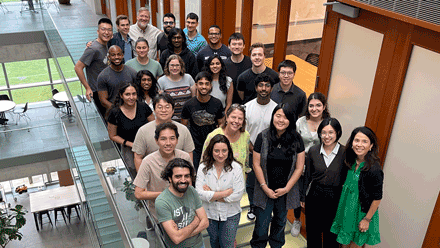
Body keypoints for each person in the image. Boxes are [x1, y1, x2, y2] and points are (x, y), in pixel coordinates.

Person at [250, 103, 305, 248]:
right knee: (261, 224)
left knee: (280, 223)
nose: (281, 120)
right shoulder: (262, 136)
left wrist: (287, 188)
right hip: (264, 189)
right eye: (278, 115)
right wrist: (264, 187)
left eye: (285, 117)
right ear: (273, 116)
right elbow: (256, 164)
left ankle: (276, 245)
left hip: (285, 191)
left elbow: (299, 167)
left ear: (291, 120)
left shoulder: (297, 139)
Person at [331, 126, 383, 247]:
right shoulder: (350, 161)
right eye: (356, 140)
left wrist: (367, 219)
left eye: (364, 141)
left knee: (355, 245)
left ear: (371, 146)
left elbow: (377, 198)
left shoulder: (374, 168)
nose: (359, 144)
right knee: (343, 244)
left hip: (361, 214)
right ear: (352, 143)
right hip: (346, 211)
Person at [301, 118, 347, 247]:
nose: (327, 136)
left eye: (331, 132)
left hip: (335, 198)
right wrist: (302, 196)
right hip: (314, 196)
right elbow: (307, 176)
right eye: (323, 132)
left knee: (331, 235)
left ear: (337, 132)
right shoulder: (313, 151)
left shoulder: (345, 153)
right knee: (313, 234)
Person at [196, 134, 245, 248]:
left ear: (229, 150)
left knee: (227, 245)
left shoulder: (236, 168)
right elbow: (199, 193)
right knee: (214, 242)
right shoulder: (203, 167)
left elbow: (237, 195)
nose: (220, 154)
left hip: (230, 214)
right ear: (211, 150)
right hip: (210, 213)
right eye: (216, 151)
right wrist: (224, 193)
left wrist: (211, 194)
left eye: (224, 150)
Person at [134, 123, 192, 219]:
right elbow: (138, 193)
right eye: (163, 139)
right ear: (157, 141)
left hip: (185, 211)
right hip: (161, 214)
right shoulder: (148, 162)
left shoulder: (184, 157)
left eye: (172, 138)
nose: (168, 143)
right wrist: (167, 195)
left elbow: (189, 184)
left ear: (177, 140)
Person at [292, 92, 330, 236]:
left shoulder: (329, 123)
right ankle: (297, 219)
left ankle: (313, 223)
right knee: (298, 195)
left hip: (320, 167)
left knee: (314, 197)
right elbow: (294, 143)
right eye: (311, 105)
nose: (314, 109)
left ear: (324, 106)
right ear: (307, 107)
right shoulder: (300, 122)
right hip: (301, 164)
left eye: (318, 105)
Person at [244, 74, 277, 221]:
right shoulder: (247, 107)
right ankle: (252, 205)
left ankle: (265, 207)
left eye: (267, 85)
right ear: (256, 87)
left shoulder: (277, 109)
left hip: (271, 155)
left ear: (271, 88)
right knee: (251, 183)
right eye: (261, 85)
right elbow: (243, 131)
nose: (264, 88)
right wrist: (251, 147)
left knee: (267, 182)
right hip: (250, 153)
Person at [132, 94, 195, 171]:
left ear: (173, 110)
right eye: (160, 107)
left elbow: (189, 154)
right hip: (153, 175)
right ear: (154, 110)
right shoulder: (143, 130)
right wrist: (143, 180)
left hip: (178, 176)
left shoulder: (183, 130)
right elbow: (138, 157)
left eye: (167, 107)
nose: (164, 110)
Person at [156, 158, 209, 248]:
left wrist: (182, 234)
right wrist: (195, 222)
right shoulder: (162, 202)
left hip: (199, 245)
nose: (183, 180)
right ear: (170, 178)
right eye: (178, 176)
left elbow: (205, 222)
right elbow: (176, 239)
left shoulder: (191, 190)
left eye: (187, 176)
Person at [107, 82, 154, 178]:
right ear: (121, 95)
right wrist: (130, 144)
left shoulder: (143, 107)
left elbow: (154, 126)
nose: (131, 97)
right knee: (136, 175)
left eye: (134, 94)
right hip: (129, 148)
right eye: (127, 94)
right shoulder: (115, 113)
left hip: (147, 146)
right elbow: (112, 135)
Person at [181, 71, 224, 169]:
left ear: (210, 85)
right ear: (196, 85)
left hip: (213, 146)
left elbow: (221, 124)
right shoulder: (188, 105)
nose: (204, 87)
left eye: (206, 84)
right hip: (194, 147)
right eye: (201, 83)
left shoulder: (217, 103)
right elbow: (184, 127)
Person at [74, 18, 112, 118]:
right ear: (98, 31)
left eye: (109, 30)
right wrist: (87, 88)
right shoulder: (93, 48)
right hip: (98, 92)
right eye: (103, 29)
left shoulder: (106, 45)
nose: (106, 32)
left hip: (108, 89)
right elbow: (78, 67)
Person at [202, 104, 250, 176]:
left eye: (240, 118)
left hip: (239, 183)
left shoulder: (246, 136)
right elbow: (204, 163)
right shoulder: (213, 136)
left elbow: (245, 164)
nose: (236, 121)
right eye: (233, 117)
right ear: (227, 117)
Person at [97, 45, 137, 115]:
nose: (116, 57)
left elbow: (138, 94)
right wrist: (119, 111)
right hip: (114, 113)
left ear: (122, 55)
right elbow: (103, 101)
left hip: (132, 111)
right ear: (109, 57)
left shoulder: (132, 72)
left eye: (119, 54)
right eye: (113, 55)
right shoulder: (102, 76)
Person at [158, 55, 195, 122]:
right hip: (169, 120)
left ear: (181, 66)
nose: (174, 68)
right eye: (172, 65)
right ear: (167, 67)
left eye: (177, 65)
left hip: (188, 119)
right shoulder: (161, 81)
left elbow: (194, 99)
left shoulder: (188, 78)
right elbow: (159, 103)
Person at [224, 33, 252, 104]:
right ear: (229, 46)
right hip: (229, 103)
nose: (237, 47)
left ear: (244, 46)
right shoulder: (224, 64)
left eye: (239, 44)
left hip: (248, 102)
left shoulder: (251, 62)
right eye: (234, 44)